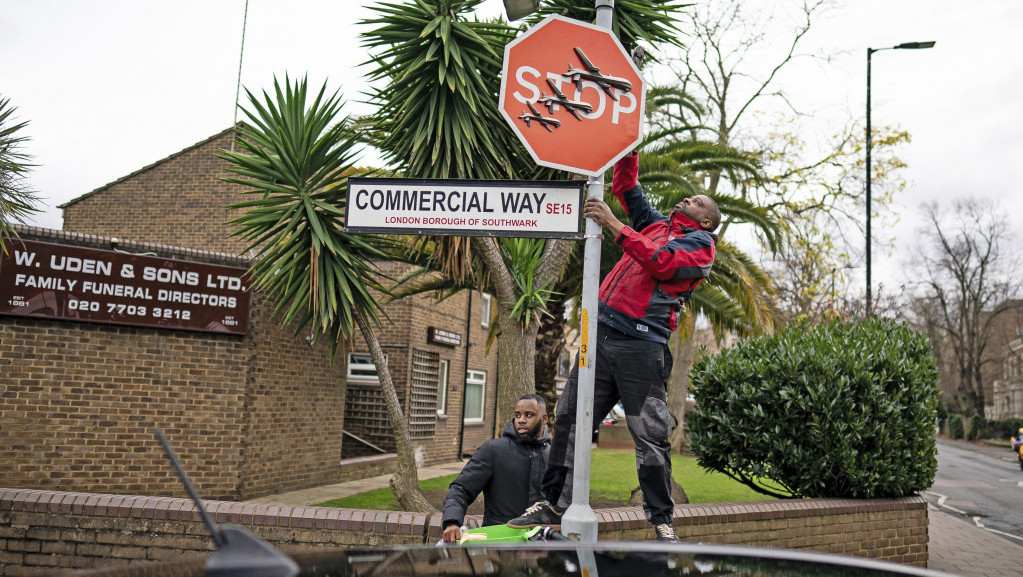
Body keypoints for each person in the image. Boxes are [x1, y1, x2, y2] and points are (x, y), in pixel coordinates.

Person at [507, 151, 720, 543]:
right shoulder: (655, 225)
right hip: (601, 338)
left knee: (650, 438)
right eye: (688, 198)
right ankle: (552, 502)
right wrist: (627, 146)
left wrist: (614, 225)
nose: (687, 199)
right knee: (570, 418)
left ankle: (661, 520)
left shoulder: (702, 246)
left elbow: (663, 263)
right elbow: (624, 185)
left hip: (642, 348)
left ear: (706, 220)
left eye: (697, 201)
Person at [441, 394, 551, 543]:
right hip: (499, 545)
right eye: (517, 415)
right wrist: (452, 521)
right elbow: (460, 489)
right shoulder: (493, 450)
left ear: (544, 418)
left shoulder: (552, 456)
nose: (521, 420)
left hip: (543, 548)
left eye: (529, 415)